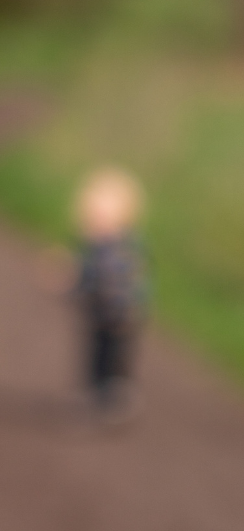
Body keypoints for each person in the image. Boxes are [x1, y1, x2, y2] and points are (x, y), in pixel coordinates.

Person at [73, 167, 147, 416]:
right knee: (99, 359)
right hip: (101, 317)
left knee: (114, 360)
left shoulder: (119, 250)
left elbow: (117, 283)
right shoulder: (96, 248)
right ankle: (102, 399)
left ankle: (115, 401)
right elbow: (88, 280)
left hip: (119, 317)